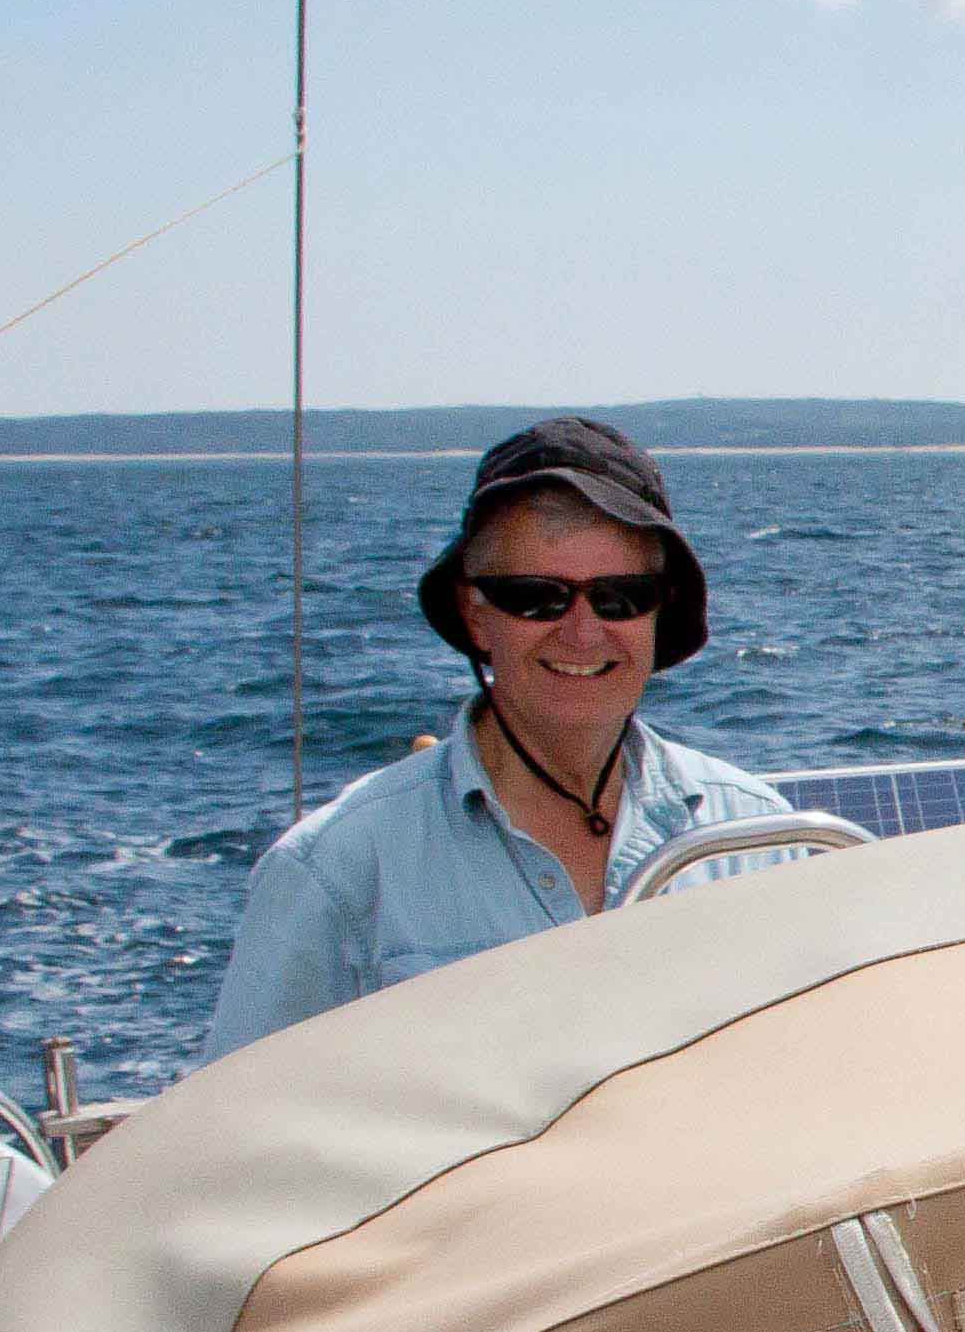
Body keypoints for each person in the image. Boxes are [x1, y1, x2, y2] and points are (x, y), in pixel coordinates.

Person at [203, 416, 790, 1061]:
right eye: (536, 597)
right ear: (474, 612)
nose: (582, 632)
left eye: (622, 596)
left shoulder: (765, 837)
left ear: (660, 610)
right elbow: (242, 1141)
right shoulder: (334, 871)